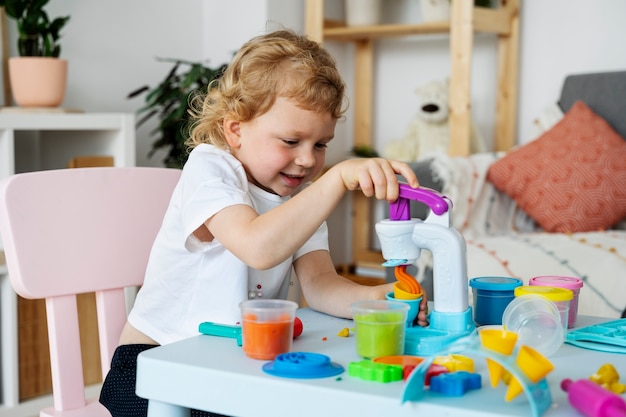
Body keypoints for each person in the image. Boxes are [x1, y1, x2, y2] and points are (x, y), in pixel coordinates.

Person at [100, 29, 428, 417]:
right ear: (235, 129)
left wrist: (377, 300)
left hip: (230, 366)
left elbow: (321, 286)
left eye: (321, 144)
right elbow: (257, 246)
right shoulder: (209, 170)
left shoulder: (297, 199)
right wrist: (335, 179)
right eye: (291, 141)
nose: (307, 160)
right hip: (153, 367)